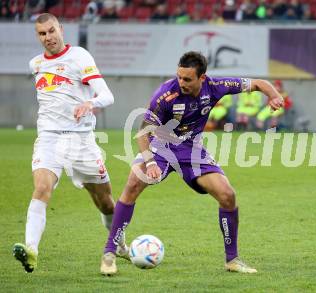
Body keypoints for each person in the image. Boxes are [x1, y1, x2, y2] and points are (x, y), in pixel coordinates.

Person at [100, 51, 284, 275]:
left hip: (192, 149)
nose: (181, 82)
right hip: (161, 146)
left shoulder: (216, 86)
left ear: (202, 78)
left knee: (227, 195)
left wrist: (273, 95)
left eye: (187, 79)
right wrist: (149, 164)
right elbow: (142, 134)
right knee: (133, 183)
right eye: (179, 77)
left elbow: (258, 83)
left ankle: (232, 260)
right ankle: (110, 253)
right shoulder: (165, 95)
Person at [12, 13, 128, 273]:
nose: (48, 37)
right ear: (38, 36)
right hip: (49, 139)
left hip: (80, 141)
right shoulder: (36, 64)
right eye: (42, 34)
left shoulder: (79, 57)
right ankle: (31, 249)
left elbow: (107, 95)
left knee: (105, 202)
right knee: (42, 188)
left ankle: (120, 245)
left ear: (61, 29)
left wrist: (90, 103)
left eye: (51, 31)